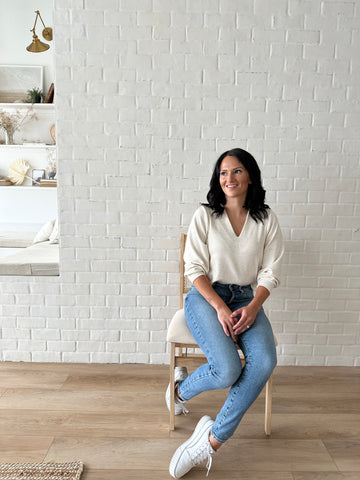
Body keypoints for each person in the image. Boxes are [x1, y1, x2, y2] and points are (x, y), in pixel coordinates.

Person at [166, 148, 284, 478]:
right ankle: (177, 392)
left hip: (248, 299)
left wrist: (253, 307)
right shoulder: (205, 215)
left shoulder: (266, 219)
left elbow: (270, 272)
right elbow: (193, 267)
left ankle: (209, 442)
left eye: (236, 172)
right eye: (223, 173)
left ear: (250, 177)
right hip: (206, 297)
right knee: (227, 370)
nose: (228, 179)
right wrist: (219, 306)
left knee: (265, 361)